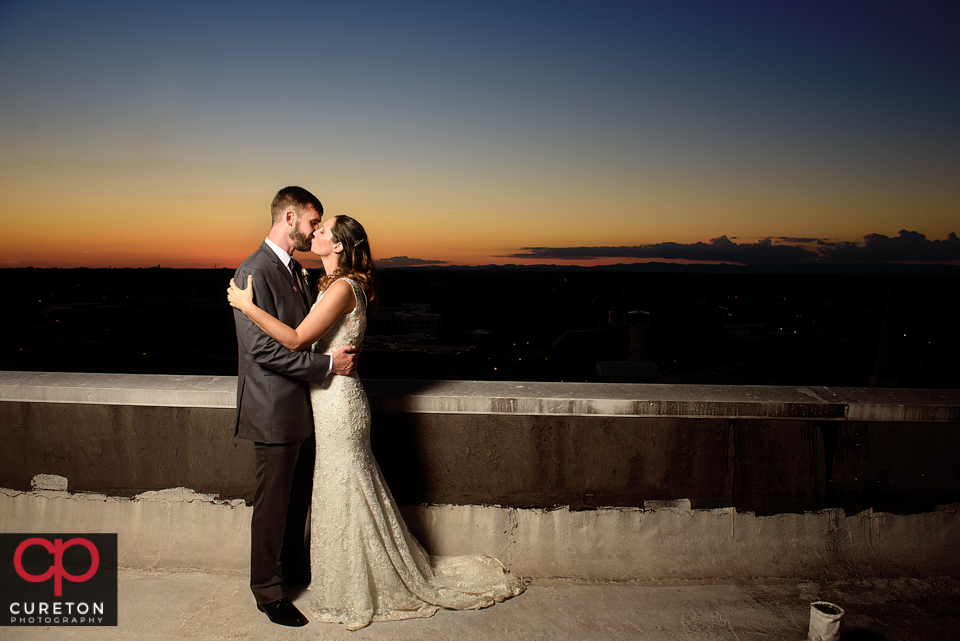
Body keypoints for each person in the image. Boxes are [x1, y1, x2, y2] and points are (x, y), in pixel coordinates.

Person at [228, 214, 525, 630]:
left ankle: (357, 582)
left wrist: (245, 306)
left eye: (323, 230)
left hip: (338, 404)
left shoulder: (343, 289)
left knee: (346, 490)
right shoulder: (328, 284)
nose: (315, 233)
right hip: (326, 401)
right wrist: (327, 360)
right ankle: (342, 577)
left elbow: (295, 340)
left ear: (339, 247)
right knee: (338, 493)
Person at [233, 186, 359, 628]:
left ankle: (290, 573)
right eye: (311, 222)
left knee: (296, 502)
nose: (313, 231)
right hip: (271, 410)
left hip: (304, 409)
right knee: (272, 506)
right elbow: (262, 352)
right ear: (289, 218)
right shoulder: (253, 271)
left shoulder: (297, 272)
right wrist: (326, 365)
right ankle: (267, 592)